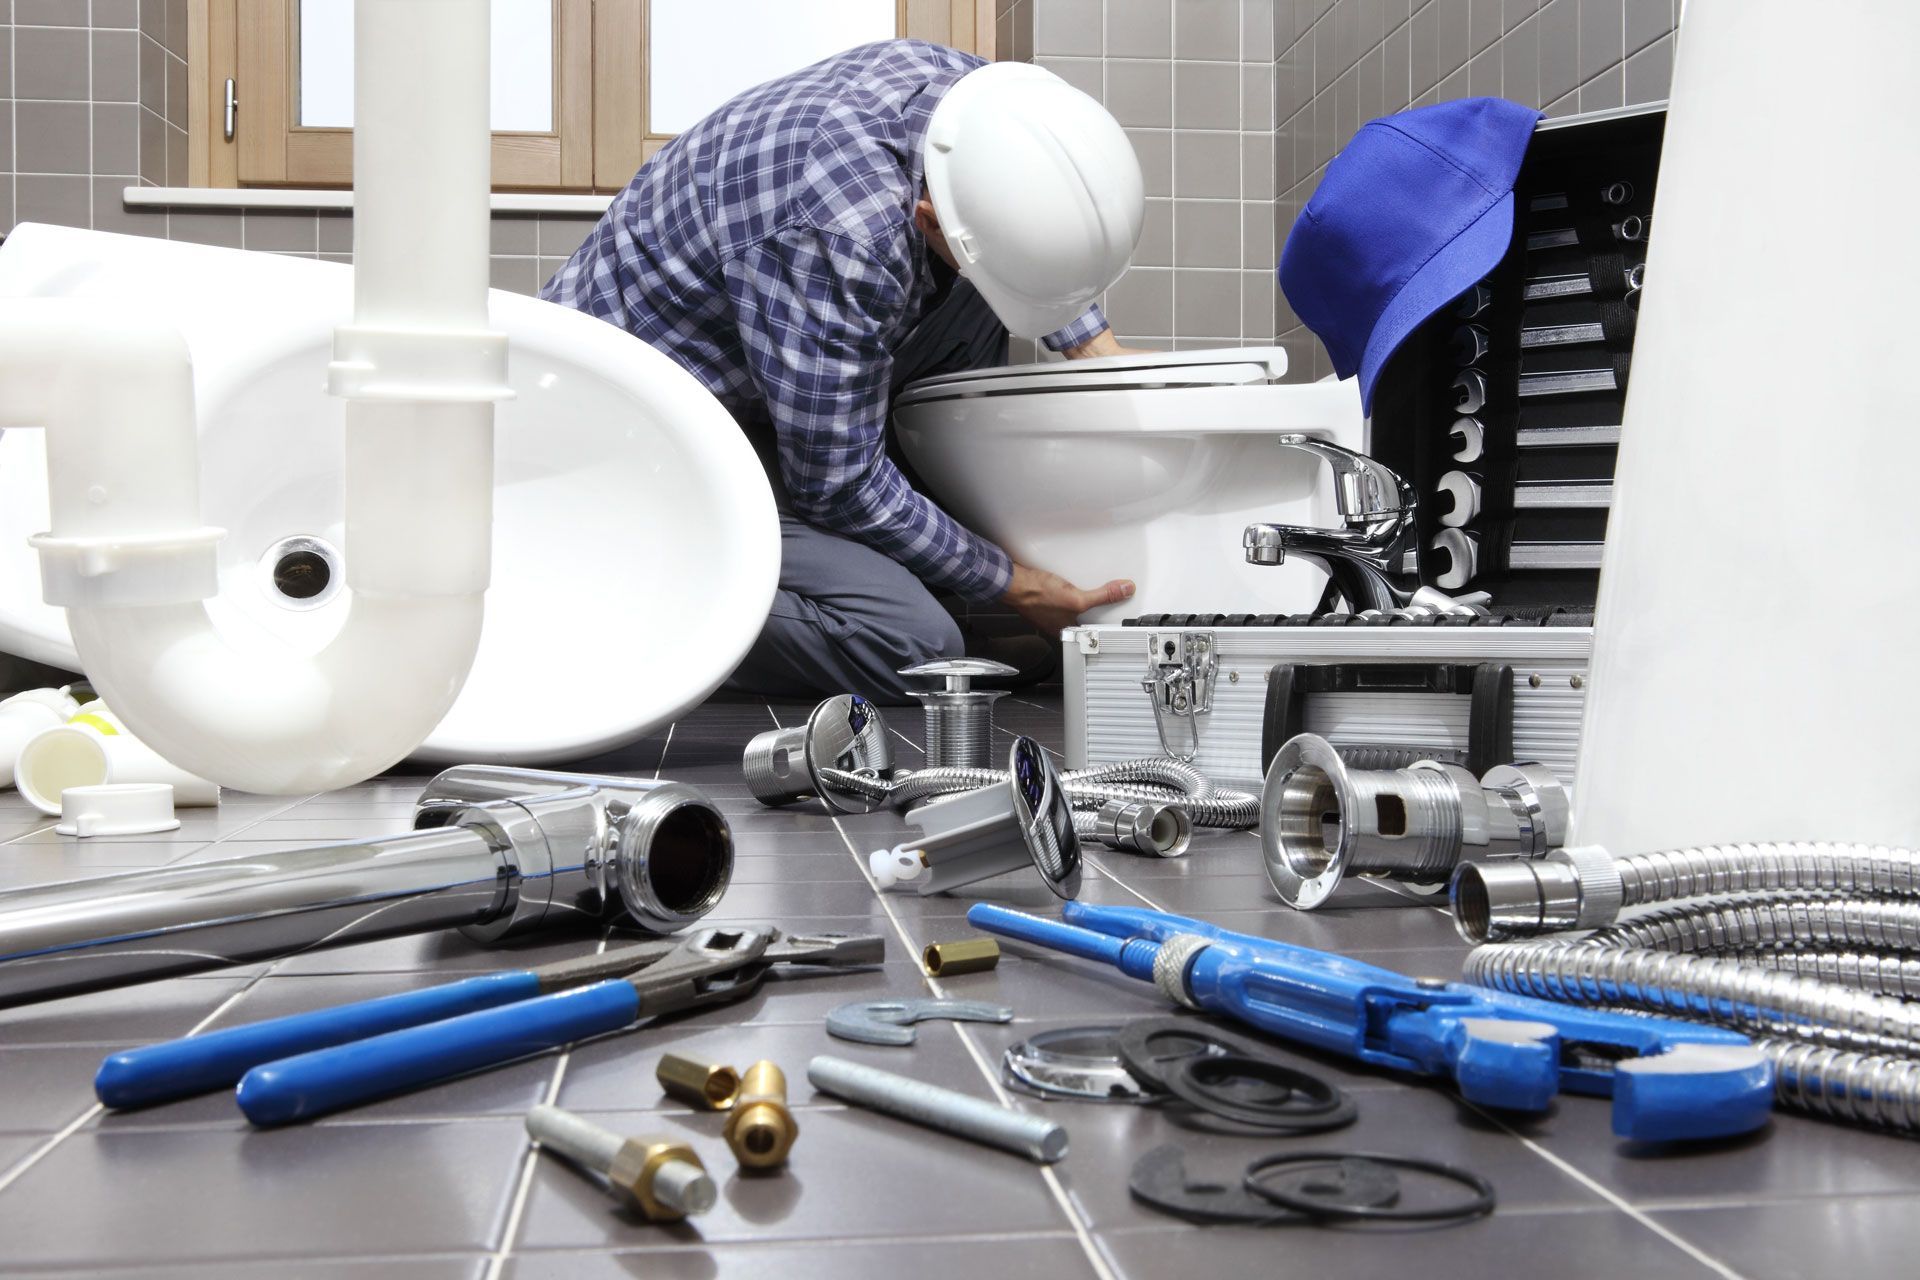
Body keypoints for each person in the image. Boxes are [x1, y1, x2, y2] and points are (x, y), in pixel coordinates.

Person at [543, 39, 1145, 702]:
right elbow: (835, 483)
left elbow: (1024, 231)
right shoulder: (842, 237)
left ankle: (934, 581)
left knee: (975, 301)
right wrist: (1013, 583)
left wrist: (1105, 363)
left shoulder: (989, 103)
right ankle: (593, 587)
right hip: (638, 437)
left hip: (758, 372)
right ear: (928, 217)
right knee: (916, 646)